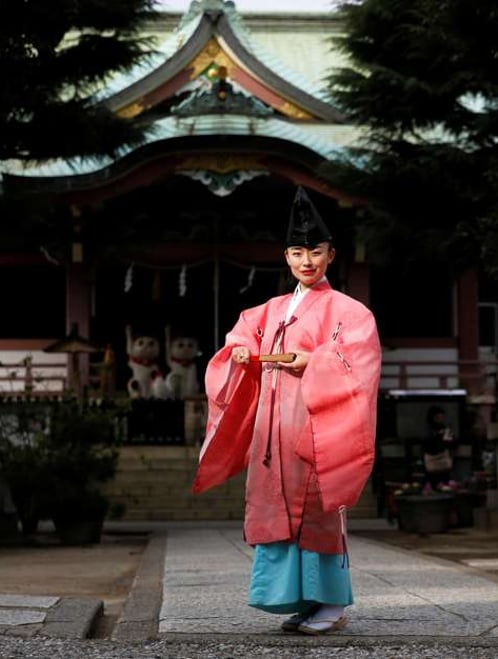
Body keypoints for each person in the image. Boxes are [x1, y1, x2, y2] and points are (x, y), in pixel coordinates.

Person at [192, 186, 382, 635]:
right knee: (275, 508)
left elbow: (360, 362)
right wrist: (238, 351)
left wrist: (313, 361)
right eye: (298, 252)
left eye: (315, 252)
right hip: (271, 431)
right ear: (287, 256)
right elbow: (241, 335)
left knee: (317, 510)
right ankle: (299, 600)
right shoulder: (272, 308)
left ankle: (331, 603)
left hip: (315, 427)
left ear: (331, 255)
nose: (307, 261)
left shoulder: (349, 312)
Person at [421, 405, 455, 489]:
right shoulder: (427, 431)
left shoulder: (445, 429)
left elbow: (451, 444)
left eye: (442, 417)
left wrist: (450, 439)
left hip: (444, 464)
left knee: (445, 486)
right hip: (432, 463)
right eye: (438, 417)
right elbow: (427, 445)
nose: (440, 419)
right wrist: (438, 437)